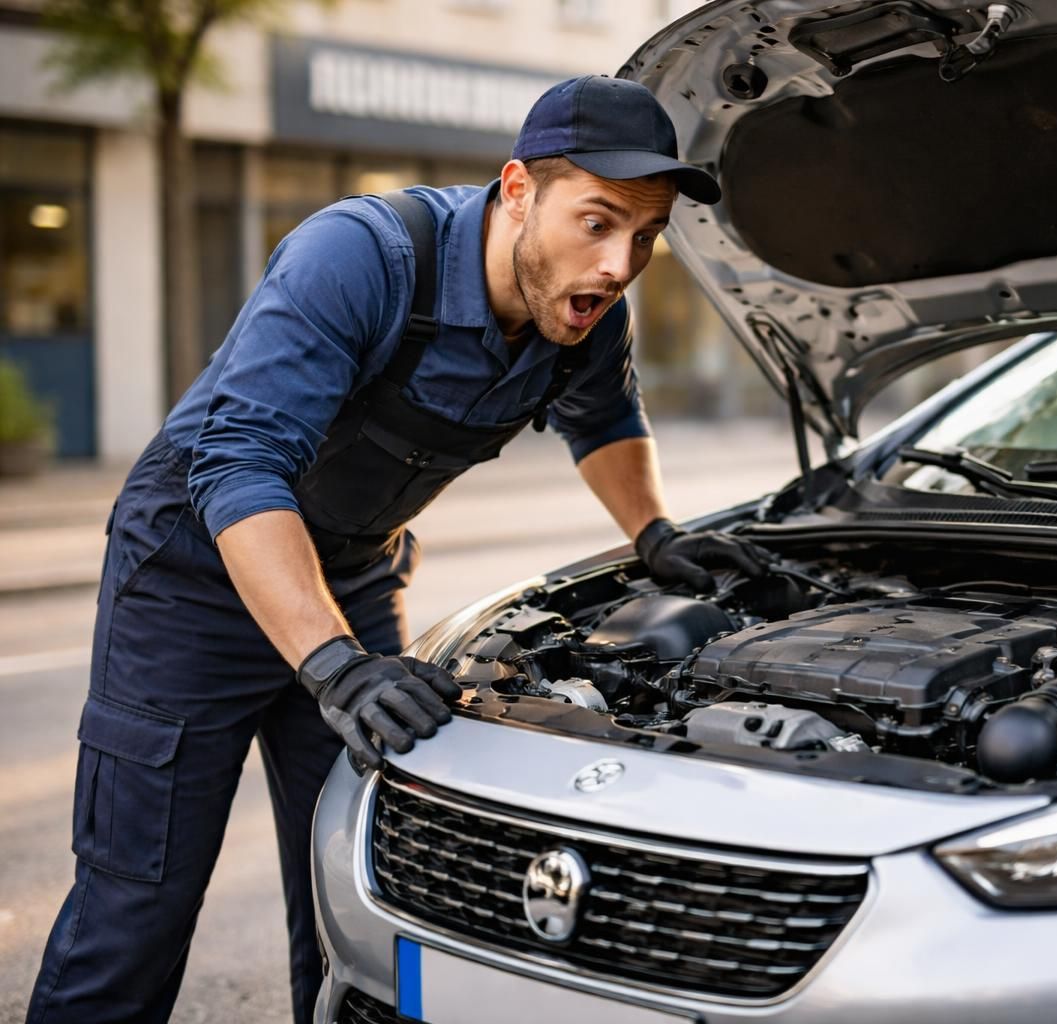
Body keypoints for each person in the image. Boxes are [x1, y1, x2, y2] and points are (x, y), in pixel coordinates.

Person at [26, 75, 769, 1024]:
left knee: (345, 880)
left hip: (354, 574)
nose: (620, 262)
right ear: (516, 192)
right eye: (598, 221)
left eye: (646, 237)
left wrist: (657, 535)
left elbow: (606, 418)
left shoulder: (586, 315)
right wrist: (335, 669)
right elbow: (240, 469)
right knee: (141, 899)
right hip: (194, 581)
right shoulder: (360, 258)